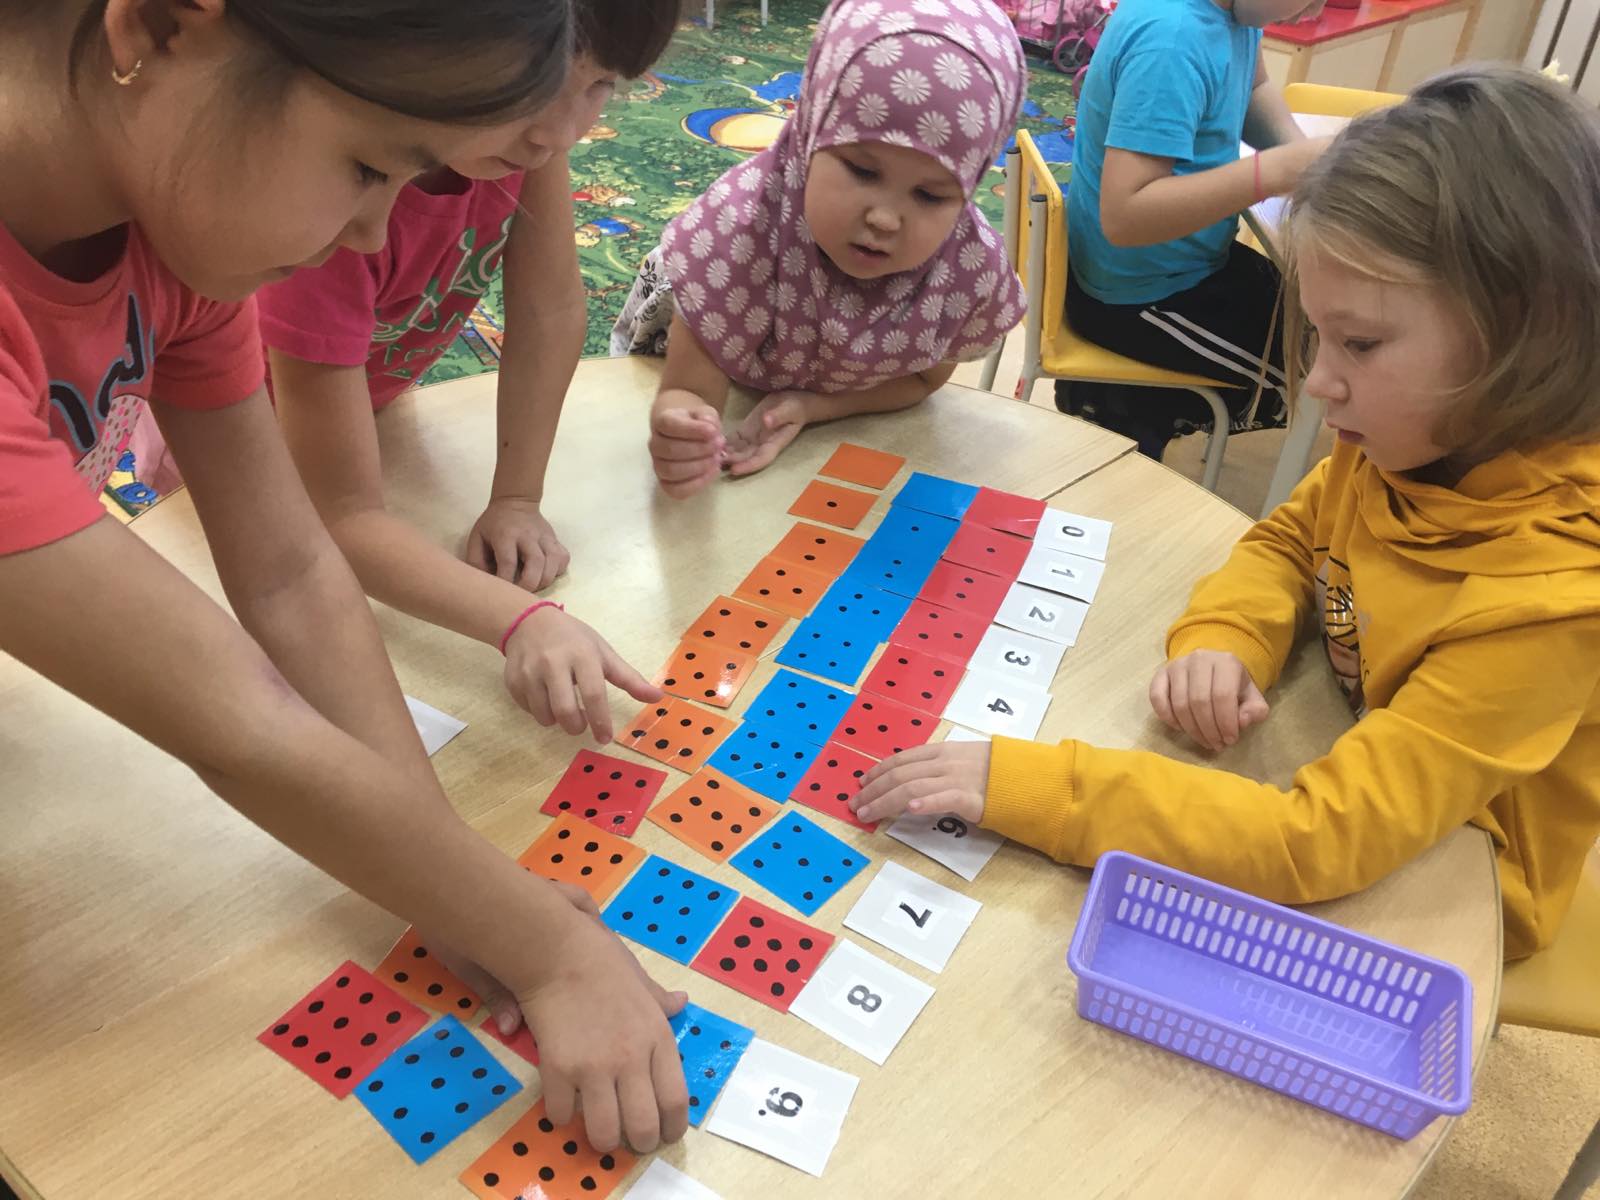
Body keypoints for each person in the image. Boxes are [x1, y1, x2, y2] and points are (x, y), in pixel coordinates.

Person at [0, 0, 687, 1152]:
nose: (373, 237)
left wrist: (447, 884)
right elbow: (236, 721)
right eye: (368, 167)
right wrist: (551, 951)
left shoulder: (167, 221)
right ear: (159, 25)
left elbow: (287, 570)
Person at [854, 65, 1600, 960]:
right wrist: (1228, 634)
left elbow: (1318, 842)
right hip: (1343, 770)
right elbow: (1290, 537)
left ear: (1524, 338)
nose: (1319, 381)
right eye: (1319, 334)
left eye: (1360, 343)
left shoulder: (1554, 602)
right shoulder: (1416, 435)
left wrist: (1042, 789)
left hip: (1452, 895)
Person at [262, 1, 682, 741]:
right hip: (247, 449)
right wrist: (517, 619)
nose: (560, 132)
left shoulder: (519, 143)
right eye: (543, 80)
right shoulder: (327, 199)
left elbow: (551, 312)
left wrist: (517, 496)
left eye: (601, 86)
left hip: (376, 410)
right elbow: (340, 518)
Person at [620, 0, 1028, 497]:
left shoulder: (966, 271)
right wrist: (681, 426)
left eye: (930, 195)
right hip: (682, 344)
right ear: (808, 134)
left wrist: (814, 406)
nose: (884, 219)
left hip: (814, 390)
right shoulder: (736, 230)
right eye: (862, 170)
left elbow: (924, 380)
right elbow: (687, 392)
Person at [1057, 0, 1330, 460]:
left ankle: (1132, 403)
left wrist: (1306, 161)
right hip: (1140, 297)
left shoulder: (1233, 14)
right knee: (1321, 375)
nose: (1315, 11)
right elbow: (1125, 217)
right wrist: (1273, 171)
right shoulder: (1173, 40)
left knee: (1325, 323)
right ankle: (1128, 406)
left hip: (1185, 263)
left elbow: (1253, 85)